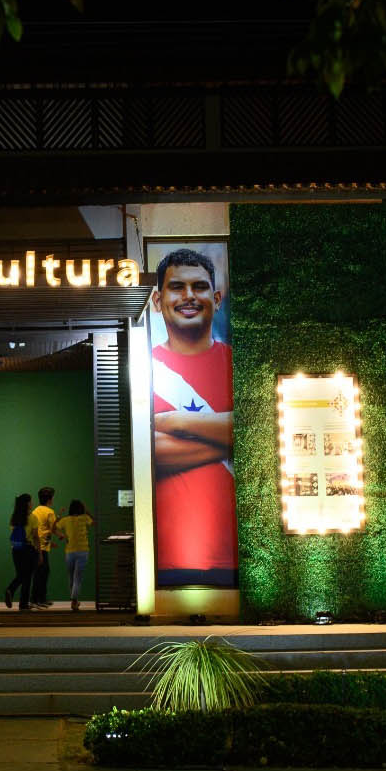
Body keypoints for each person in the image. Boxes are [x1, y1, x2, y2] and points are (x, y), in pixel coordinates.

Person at [150, 248, 237, 586]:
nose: (189, 296)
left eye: (199, 287)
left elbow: (252, 428)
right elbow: (152, 451)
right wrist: (228, 435)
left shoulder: (237, 365)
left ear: (216, 299)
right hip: (167, 559)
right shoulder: (144, 368)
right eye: (177, 287)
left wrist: (176, 422)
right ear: (157, 301)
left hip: (237, 558)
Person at [55, 499, 94, 611]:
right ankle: (74, 601)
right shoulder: (85, 518)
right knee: (77, 578)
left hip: (69, 552)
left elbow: (54, 527)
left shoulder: (65, 520)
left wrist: (61, 535)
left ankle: (74, 601)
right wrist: (88, 511)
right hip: (83, 551)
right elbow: (94, 522)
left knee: (71, 578)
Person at [3, 493, 37, 611]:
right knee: (27, 577)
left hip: (16, 550)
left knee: (21, 575)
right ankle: (21, 602)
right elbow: (35, 536)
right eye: (31, 501)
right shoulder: (32, 517)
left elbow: (13, 531)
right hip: (28, 549)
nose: (32, 503)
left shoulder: (14, 517)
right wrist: (39, 553)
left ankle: (13, 593)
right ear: (27, 503)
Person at [28, 487, 58, 608]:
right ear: (50, 499)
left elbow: (40, 530)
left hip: (35, 546)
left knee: (40, 572)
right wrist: (62, 535)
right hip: (42, 548)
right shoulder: (50, 512)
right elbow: (54, 528)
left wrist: (50, 543)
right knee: (42, 573)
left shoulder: (35, 511)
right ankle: (37, 599)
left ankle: (39, 599)